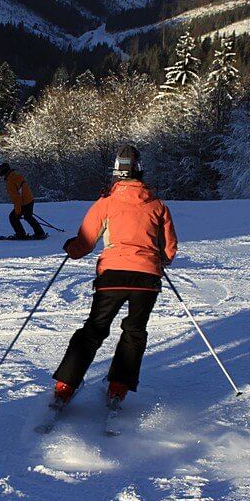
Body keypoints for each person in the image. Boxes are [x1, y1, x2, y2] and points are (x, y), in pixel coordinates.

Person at [51, 145, 178, 407]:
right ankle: (118, 388)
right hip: (146, 279)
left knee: (94, 329)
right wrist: (161, 260)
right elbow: (169, 249)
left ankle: (66, 385)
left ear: (115, 173)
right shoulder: (157, 205)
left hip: (113, 276)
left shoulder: (106, 203)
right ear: (140, 171)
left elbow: (85, 242)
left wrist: (71, 248)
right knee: (134, 331)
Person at [0, 163, 46, 240]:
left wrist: (18, 212)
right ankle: (40, 233)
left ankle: (20, 234)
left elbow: (17, 198)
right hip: (30, 200)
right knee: (28, 217)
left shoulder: (10, 182)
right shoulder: (18, 176)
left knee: (13, 217)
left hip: (23, 202)